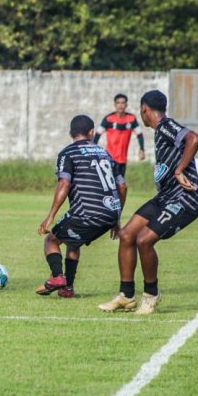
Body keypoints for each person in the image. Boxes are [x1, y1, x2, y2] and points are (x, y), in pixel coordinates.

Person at [99, 90, 198, 314]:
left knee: (144, 240)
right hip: (165, 196)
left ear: (144, 109)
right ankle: (126, 296)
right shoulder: (160, 130)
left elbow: (194, 138)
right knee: (126, 235)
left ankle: (150, 295)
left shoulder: (165, 125)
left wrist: (179, 170)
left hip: (184, 199)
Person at [37, 114, 127, 298]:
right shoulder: (105, 153)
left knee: (51, 240)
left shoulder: (68, 153)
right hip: (110, 213)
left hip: (87, 212)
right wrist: (116, 219)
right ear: (91, 132)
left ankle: (57, 276)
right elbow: (122, 186)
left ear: (70, 132)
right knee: (73, 242)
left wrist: (50, 216)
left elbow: (64, 184)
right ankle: (67, 288)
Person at [93, 93, 146, 179]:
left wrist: (142, 149)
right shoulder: (108, 119)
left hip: (123, 159)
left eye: (123, 103)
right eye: (118, 103)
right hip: (110, 158)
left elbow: (139, 134)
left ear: (126, 105)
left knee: (120, 183)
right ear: (115, 105)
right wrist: (93, 150)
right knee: (113, 183)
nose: (120, 105)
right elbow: (97, 135)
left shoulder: (131, 119)